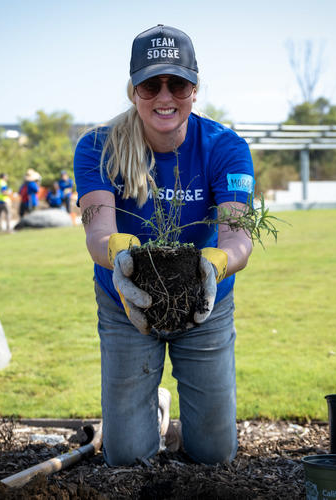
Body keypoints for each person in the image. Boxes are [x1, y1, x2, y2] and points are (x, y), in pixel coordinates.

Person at [74, 25, 254, 467]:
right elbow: (97, 232)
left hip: (203, 301)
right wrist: (119, 251)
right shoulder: (98, 147)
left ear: (195, 88)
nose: (165, 96)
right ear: (133, 89)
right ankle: (148, 413)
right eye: (151, 84)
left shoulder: (225, 148)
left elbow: (238, 236)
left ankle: (173, 421)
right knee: (128, 458)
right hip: (126, 299)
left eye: (178, 84)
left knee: (214, 454)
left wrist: (219, 261)